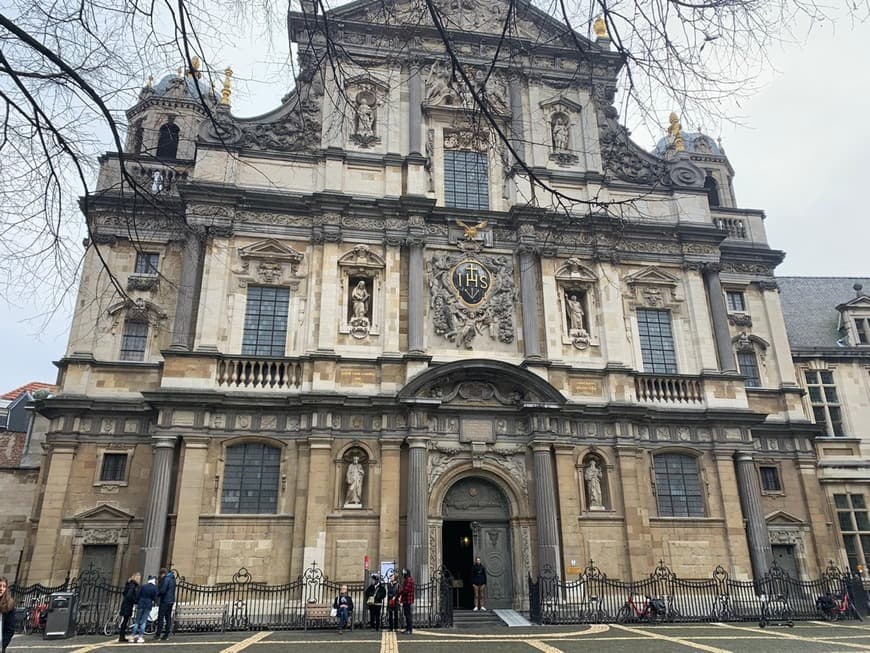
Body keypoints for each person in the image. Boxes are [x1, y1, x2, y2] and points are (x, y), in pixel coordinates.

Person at [132, 576, 158, 643]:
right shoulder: (154, 588)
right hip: (148, 605)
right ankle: (140, 637)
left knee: (137, 621)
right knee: (143, 622)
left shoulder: (143, 586)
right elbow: (155, 598)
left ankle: (133, 636)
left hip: (141, 604)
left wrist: (137, 602)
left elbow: (138, 595)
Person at [118, 572, 141, 642]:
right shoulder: (133, 585)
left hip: (125, 604)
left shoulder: (129, 584)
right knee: (125, 621)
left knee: (124, 621)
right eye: (139, 578)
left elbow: (124, 593)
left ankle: (122, 636)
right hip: (128, 605)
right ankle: (121, 637)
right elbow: (129, 595)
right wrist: (134, 600)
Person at [154, 568, 176, 640]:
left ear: (162, 574)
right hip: (171, 600)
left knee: (161, 617)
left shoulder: (166, 579)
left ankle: (158, 634)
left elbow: (163, 590)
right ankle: (166, 634)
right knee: (168, 618)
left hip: (165, 600)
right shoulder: (173, 579)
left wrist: (157, 594)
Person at [0, 577, 15, 653]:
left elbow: (10, 628)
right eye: (0, 586)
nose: (1, 588)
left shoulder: (9, 604)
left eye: (4, 586)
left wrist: (3, 644)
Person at [398, 568, 415, 635]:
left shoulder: (409, 580)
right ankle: (408, 629)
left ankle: (409, 629)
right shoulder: (408, 580)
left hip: (407, 600)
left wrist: (399, 593)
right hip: (406, 600)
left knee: (408, 615)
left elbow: (406, 590)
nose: (403, 575)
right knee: (407, 614)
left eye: (404, 574)